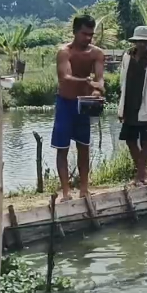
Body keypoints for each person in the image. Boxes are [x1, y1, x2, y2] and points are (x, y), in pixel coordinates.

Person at [53, 15, 105, 201]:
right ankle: (66, 192)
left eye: (91, 34)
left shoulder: (96, 53)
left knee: (84, 147)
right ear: (75, 32)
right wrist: (85, 81)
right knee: (62, 148)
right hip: (65, 103)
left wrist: (98, 91)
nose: (88, 38)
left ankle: (84, 189)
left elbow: (100, 79)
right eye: (84, 34)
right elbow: (64, 77)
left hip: (84, 104)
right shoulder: (64, 52)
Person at [117, 25, 147, 186]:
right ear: (135, 42)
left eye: (145, 42)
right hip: (130, 105)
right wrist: (121, 107)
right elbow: (122, 83)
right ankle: (143, 172)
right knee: (130, 140)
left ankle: (140, 175)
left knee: (145, 141)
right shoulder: (127, 57)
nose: (142, 45)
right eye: (139, 42)